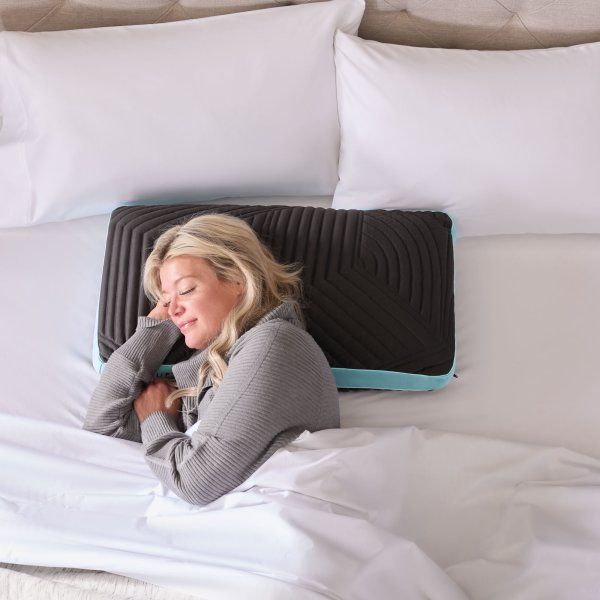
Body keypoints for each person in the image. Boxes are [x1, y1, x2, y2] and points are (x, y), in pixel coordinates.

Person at [83, 213, 340, 505]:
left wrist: (156, 418)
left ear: (237, 278)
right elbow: (104, 429)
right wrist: (157, 329)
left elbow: (195, 481)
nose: (172, 309)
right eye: (166, 300)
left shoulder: (274, 343)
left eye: (186, 289)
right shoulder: (212, 368)